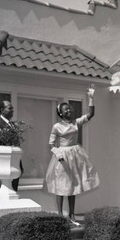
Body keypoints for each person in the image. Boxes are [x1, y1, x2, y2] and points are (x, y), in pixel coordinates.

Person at [44, 84, 100, 226]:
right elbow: (51, 143)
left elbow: (91, 115)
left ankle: (72, 215)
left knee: (73, 186)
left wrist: (91, 98)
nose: (69, 110)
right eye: (65, 109)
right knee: (61, 186)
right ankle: (60, 215)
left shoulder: (76, 122)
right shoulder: (57, 126)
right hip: (62, 157)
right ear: (61, 113)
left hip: (75, 155)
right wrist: (57, 153)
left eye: (69, 108)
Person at [0, 100, 23, 191]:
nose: (12, 110)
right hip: (4, 165)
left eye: (12, 108)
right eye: (10, 108)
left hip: (14, 164)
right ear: (2, 110)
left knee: (13, 193)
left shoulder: (13, 125)